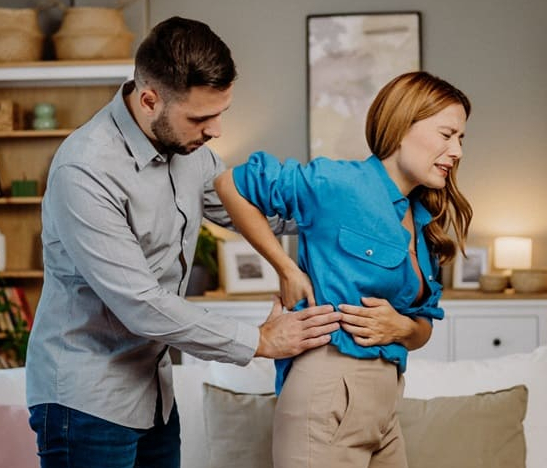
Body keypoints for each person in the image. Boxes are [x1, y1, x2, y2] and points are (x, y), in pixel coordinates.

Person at [23, 16, 342, 468]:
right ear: (149, 99)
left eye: (219, 113)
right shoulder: (86, 170)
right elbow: (140, 304)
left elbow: (249, 212)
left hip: (153, 394)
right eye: (200, 117)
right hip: (85, 401)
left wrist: (342, 215)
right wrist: (259, 341)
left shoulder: (191, 152)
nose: (215, 131)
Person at [215, 71, 473, 468]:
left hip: (384, 405)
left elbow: (421, 327)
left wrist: (402, 328)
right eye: (446, 134)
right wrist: (285, 267)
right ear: (403, 126)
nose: (456, 150)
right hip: (329, 393)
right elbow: (233, 184)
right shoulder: (338, 184)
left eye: (460, 138)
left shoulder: (423, 221)